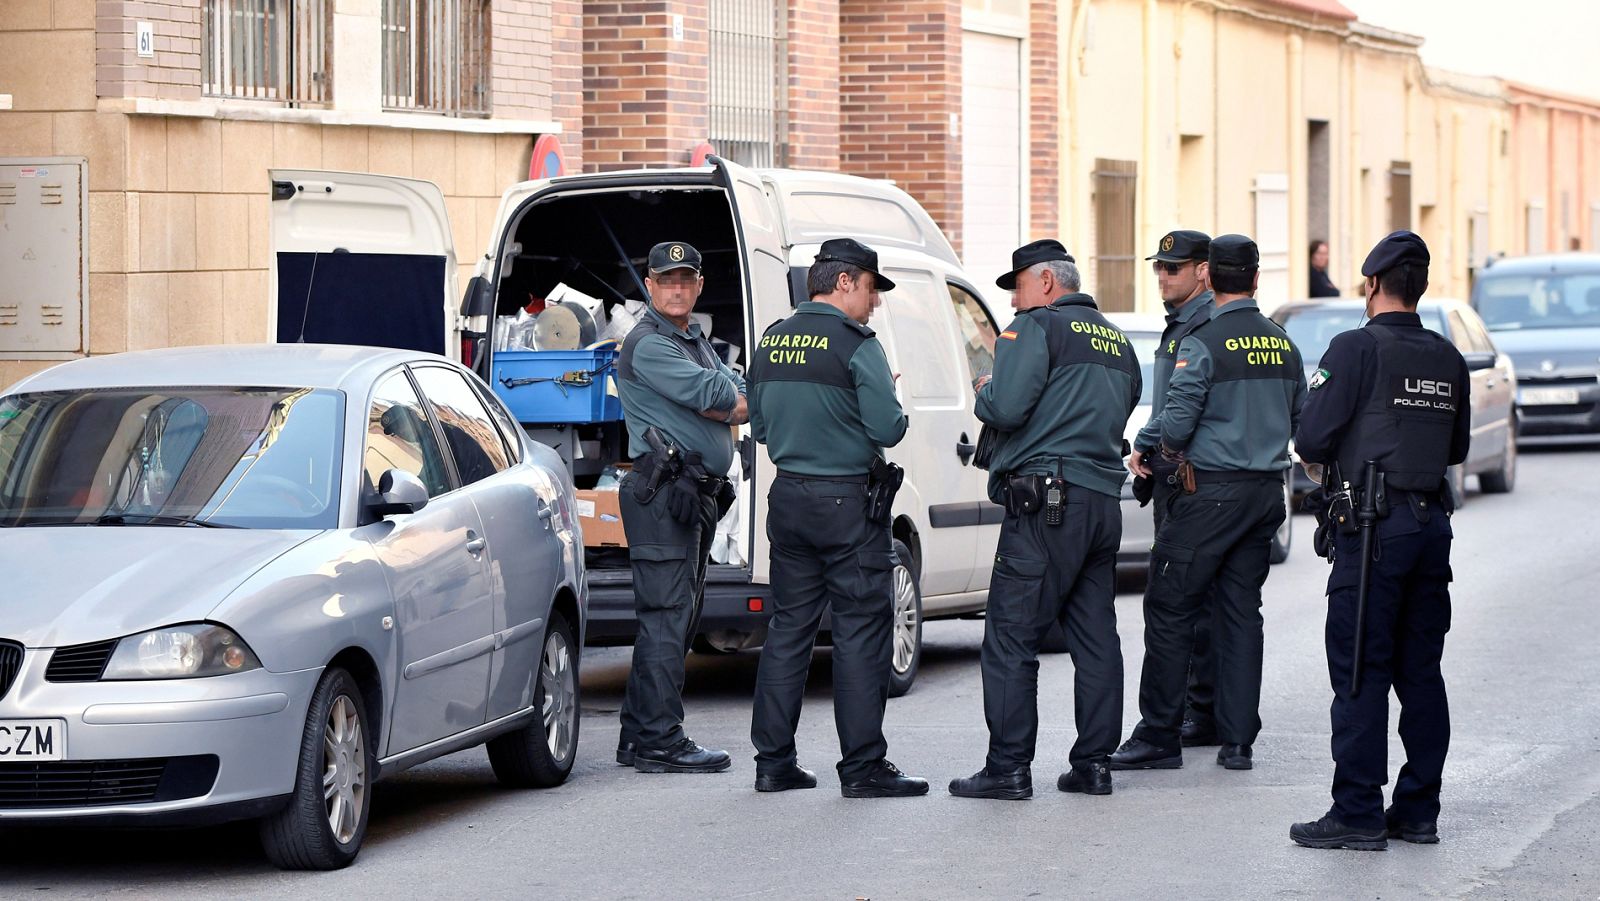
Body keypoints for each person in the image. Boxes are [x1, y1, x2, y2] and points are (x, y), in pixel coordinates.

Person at [1289, 231, 1470, 851]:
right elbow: (1457, 450)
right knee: (1421, 672)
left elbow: (1311, 438)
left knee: (1361, 669)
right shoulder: (1447, 357)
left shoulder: (1355, 348)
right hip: (1429, 528)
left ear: (1370, 286)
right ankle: (1418, 811)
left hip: (1372, 531)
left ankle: (1358, 812)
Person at [947, 239, 1141, 801]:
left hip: (1046, 503)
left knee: (1011, 634)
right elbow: (1121, 407)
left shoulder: (1036, 328)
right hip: (1102, 505)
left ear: (1047, 282)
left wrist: (986, 390)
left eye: (1019, 287)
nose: (1013, 301)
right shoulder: (1118, 341)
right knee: (1095, 636)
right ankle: (1095, 764)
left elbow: (1007, 408)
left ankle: (1008, 767)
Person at [1111, 234, 1306, 773]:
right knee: (1242, 614)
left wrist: (1153, 449)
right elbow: (1300, 421)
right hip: (1265, 494)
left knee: (1170, 607)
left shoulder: (1204, 340)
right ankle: (1237, 739)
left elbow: (1177, 419)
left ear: (1211, 278)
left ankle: (1158, 735)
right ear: (1256, 279)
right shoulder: (1282, 343)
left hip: (1209, 494)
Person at [746, 237, 928, 798]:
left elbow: (759, 426)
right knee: (859, 632)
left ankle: (773, 763)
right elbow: (888, 429)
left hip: (791, 499)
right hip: (848, 505)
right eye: (871, 289)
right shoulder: (857, 345)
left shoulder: (772, 340)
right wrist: (889, 400)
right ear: (845, 281)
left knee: (788, 631)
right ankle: (863, 767)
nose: (873, 303)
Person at [614, 240, 748, 774]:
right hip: (664, 493)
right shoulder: (649, 344)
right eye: (666, 279)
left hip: (691, 493)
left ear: (697, 286)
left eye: (685, 279)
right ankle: (661, 740)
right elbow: (720, 398)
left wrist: (731, 399)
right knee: (667, 619)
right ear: (649, 285)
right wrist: (730, 403)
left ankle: (637, 734)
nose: (676, 288)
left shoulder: (692, 337)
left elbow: (733, 387)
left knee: (677, 618)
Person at [1126, 228, 1221, 749]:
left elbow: (1181, 410)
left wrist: (1148, 438)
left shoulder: (1203, 326)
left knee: (1184, 603)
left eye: (1174, 268)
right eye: (1159, 267)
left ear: (1203, 271)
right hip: (1175, 475)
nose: (1162, 276)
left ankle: (1196, 711)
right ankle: (1202, 709)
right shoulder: (1180, 324)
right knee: (1197, 603)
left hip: (1191, 478)